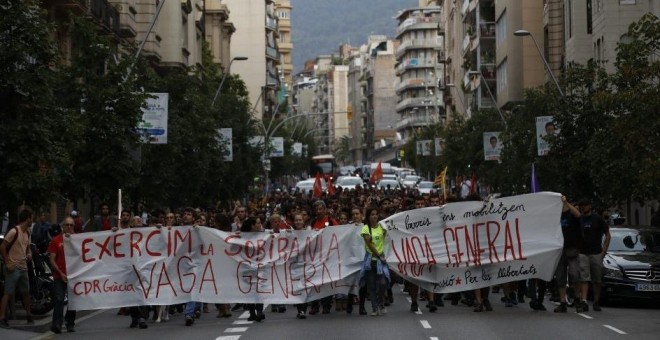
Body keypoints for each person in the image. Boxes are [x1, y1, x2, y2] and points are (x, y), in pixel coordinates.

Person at [0, 208, 34, 328]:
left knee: (26, 293)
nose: (32, 220)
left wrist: (29, 254)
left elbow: (28, 248)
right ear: (28, 218)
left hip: (23, 267)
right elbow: (2, 246)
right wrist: (8, 262)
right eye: (31, 218)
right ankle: (2, 318)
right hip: (13, 267)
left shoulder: (28, 232)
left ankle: (29, 315)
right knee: (8, 292)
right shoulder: (14, 231)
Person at [576, 198, 610, 312]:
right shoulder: (579, 219)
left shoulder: (597, 219)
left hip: (596, 253)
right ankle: (584, 301)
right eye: (581, 205)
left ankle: (596, 301)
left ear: (590, 206)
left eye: (585, 205)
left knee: (597, 279)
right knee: (584, 278)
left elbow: (608, 234)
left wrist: (603, 251)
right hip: (583, 253)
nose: (582, 207)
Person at [553, 196, 582, 313]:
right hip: (559, 250)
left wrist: (566, 203)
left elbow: (578, 215)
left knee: (574, 275)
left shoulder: (571, 214)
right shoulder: (556, 216)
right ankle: (562, 302)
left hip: (571, 249)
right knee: (560, 276)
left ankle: (577, 299)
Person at [48, 217, 77, 333]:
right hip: (59, 276)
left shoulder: (78, 240)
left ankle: (70, 323)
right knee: (59, 299)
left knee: (73, 301)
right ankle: (57, 324)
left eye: (71, 225)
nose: (69, 227)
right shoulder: (56, 240)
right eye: (67, 225)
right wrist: (60, 273)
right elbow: (52, 260)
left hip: (74, 276)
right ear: (63, 226)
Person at [360, 206, 389, 316]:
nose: (374, 216)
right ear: (368, 216)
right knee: (371, 285)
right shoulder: (366, 229)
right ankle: (374, 307)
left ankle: (381, 303)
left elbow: (385, 239)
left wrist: (383, 255)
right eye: (372, 214)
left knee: (382, 283)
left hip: (381, 260)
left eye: (376, 214)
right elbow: (369, 244)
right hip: (370, 260)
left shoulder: (382, 227)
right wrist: (378, 255)